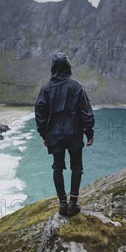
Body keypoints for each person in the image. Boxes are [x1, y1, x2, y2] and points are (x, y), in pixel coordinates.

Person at [35, 53, 95, 217]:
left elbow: (40, 113)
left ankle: (62, 203)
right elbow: (86, 112)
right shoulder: (76, 87)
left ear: (53, 68)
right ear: (68, 67)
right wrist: (89, 132)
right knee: (77, 166)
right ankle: (73, 203)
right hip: (74, 134)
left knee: (57, 166)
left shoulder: (46, 89)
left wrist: (43, 135)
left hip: (54, 135)